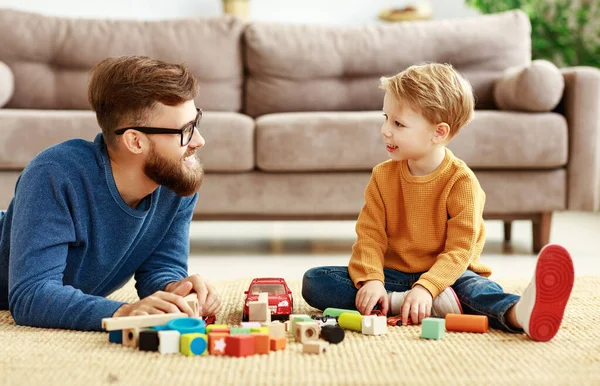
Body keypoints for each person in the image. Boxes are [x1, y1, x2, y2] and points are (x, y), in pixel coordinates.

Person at [302, 63, 574, 342]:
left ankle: (521, 312)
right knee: (316, 281)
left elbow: (460, 251)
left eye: (398, 123)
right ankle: (409, 301)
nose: (385, 130)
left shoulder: (461, 182)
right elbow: (369, 237)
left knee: (477, 291)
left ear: (439, 133)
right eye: (386, 118)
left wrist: (428, 287)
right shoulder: (382, 176)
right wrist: (372, 280)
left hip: (451, 276)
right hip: (394, 276)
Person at [0, 55, 222, 331]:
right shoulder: (54, 175)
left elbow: (160, 268)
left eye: (196, 123)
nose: (199, 141)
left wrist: (177, 288)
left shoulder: (175, 180)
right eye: (186, 131)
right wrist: (124, 312)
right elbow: (31, 297)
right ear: (135, 141)